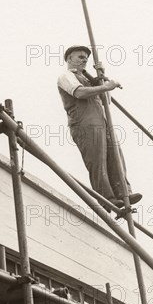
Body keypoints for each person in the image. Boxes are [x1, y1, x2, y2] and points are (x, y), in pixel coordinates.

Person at [57, 45, 142, 209]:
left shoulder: (89, 80)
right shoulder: (66, 76)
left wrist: (101, 77)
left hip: (100, 121)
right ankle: (106, 198)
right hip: (84, 123)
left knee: (115, 155)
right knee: (97, 160)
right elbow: (79, 93)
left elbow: (106, 101)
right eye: (80, 57)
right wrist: (104, 86)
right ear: (69, 59)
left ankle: (123, 192)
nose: (84, 60)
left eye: (86, 58)